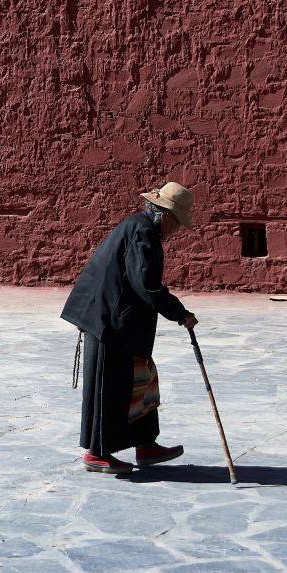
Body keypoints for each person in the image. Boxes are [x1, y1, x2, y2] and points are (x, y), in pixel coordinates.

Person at [61, 182, 198, 475]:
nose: (176, 230)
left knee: (141, 379)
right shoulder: (144, 232)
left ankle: (145, 444)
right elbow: (147, 285)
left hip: (123, 320)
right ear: (166, 215)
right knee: (108, 386)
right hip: (108, 319)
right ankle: (97, 452)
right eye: (177, 222)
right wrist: (179, 313)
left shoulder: (143, 228)